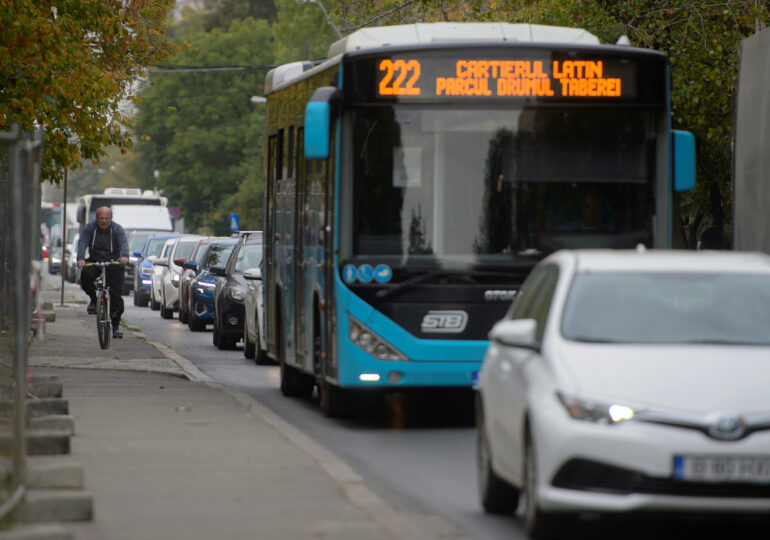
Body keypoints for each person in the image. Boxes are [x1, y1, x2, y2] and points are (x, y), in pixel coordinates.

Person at [76, 206, 129, 339]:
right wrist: (81, 258)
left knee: (116, 295)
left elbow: (123, 243)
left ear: (111, 218)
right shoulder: (90, 228)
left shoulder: (117, 229)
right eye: (101, 218)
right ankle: (94, 300)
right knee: (86, 274)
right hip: (95, 260)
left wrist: (125, 256)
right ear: (96, 218)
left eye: (106, 218)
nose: (104, 221)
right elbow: (82, 243)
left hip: (113, 262)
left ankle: (116, 326)